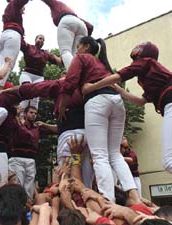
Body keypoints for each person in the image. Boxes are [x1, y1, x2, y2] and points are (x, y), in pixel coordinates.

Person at [82, 41, 172, 212]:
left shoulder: (145, 62)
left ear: (142, 52)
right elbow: (140, 102)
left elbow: (119, 75)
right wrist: (116, 89)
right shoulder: (152, 73)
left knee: (171, 161)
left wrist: (92, 87)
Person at [58, 36, 140, 203]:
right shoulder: (103, 63)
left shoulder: (81, 58)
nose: (76, 50)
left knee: (100, 155)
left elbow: (70, 82)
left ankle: (107, 200)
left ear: (86, 46)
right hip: (116, 102)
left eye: (78, 46)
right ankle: (134, 196)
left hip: (97, 101)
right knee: (115, 155)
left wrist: (62, 103)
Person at [8, 106, 57, 199]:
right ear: (25, 114)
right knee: (16, 187)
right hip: (17, 159)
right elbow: (9, 118)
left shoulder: (37, 128)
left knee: (29, 189)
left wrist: (44, 125)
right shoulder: (17, 125)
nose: (34, 115)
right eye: (31, 112)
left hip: (31, 160)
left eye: (35, 113)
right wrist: (16, 113)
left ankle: (28, 210)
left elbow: (57, 129)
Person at [41, 0, 93, 70]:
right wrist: (87, 39)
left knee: (65, 51)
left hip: (66, 21)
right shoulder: (72, 13)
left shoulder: (55, 5)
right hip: (82, 26)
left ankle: (73, 76)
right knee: (76, 55)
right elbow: (90, 27)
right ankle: (82, 75)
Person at [0, 0, 30, 95]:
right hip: (12, 35)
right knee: (8, 64)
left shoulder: (9, 10)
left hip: (5, 35)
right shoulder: (14, 4)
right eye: (23, 8)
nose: (24, 10)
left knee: (3, 66)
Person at [19, 34, 63, 109]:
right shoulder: (28, 47)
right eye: (40, 38)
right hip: (27, 74)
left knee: (35, 98)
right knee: (25, 91)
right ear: (35, 39)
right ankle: (21, 115)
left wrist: (66, 52)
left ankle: (32, 117)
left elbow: (59, 61)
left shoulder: (46, 53)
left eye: (43, 40)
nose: (41, 40)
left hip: (39, 77)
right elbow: (19, 42)